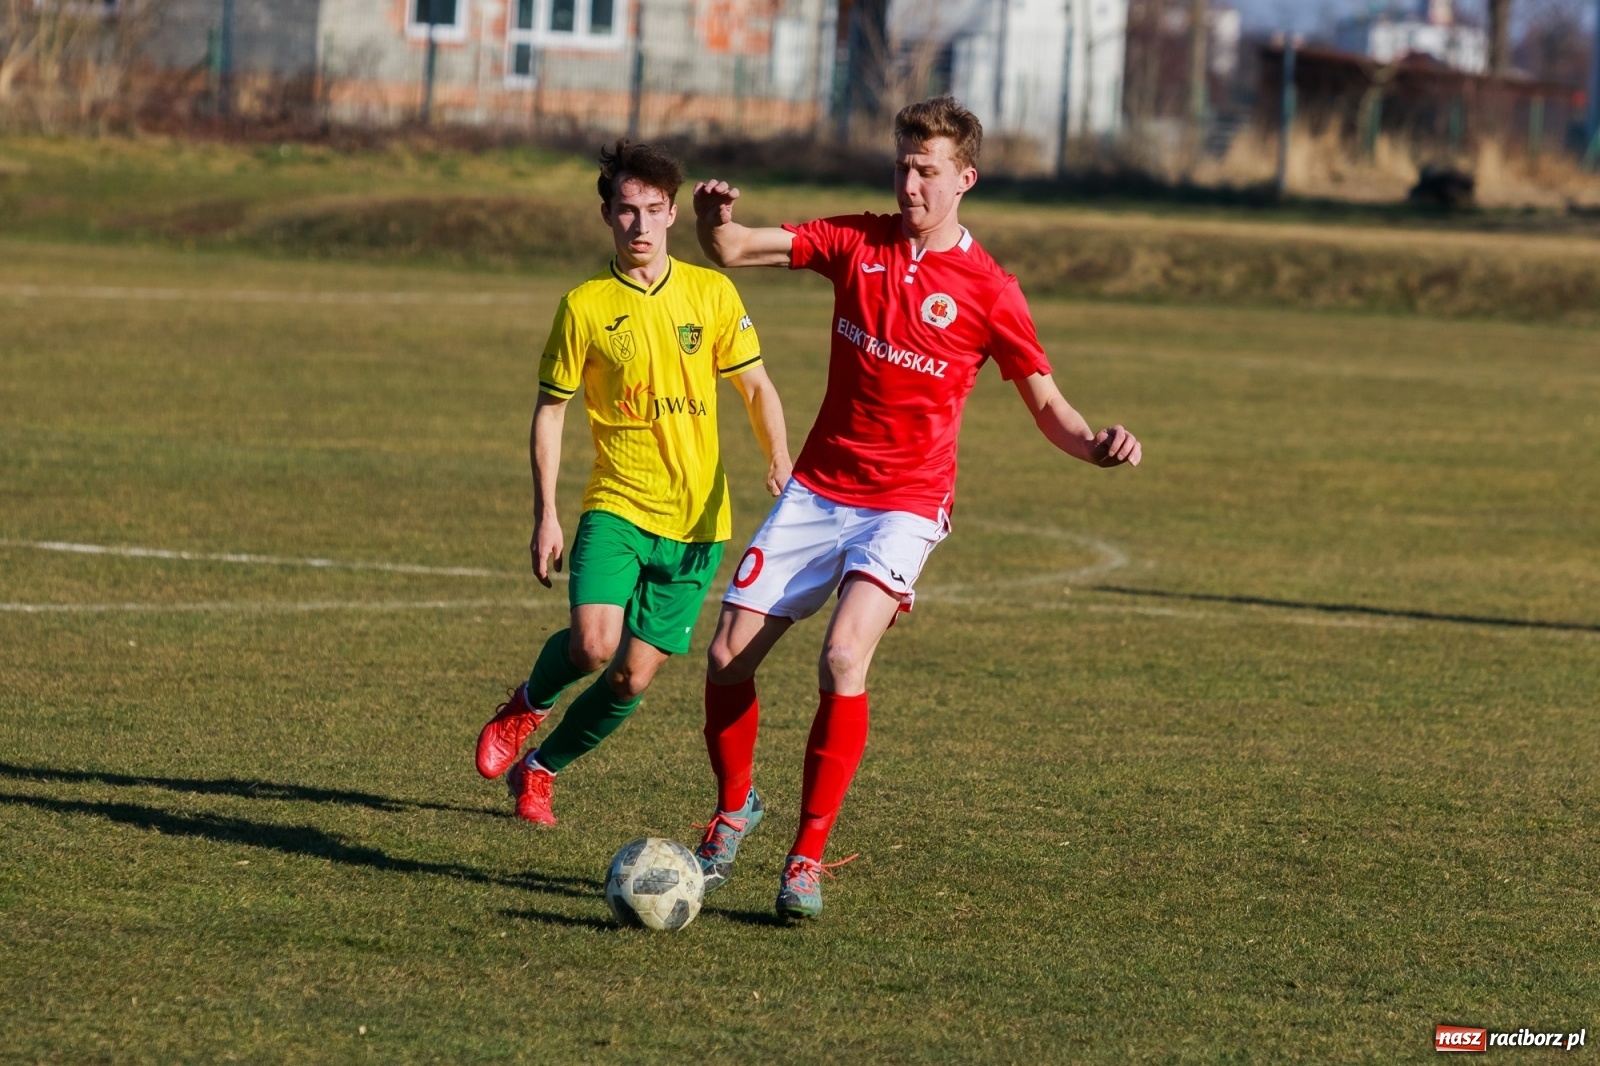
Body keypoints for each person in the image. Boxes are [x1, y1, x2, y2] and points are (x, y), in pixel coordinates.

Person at [690, 96, 1142, 917]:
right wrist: (713, 217)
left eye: (927, 171)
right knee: (725, 659)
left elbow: (1048, 404)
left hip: (905, 502)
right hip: (820, 488)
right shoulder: (854, 239)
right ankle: (733, 811)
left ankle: (806, 858)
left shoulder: (990, 290)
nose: (910, 185)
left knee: (842, 657)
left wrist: (1095, 444)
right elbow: (730, 249)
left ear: (965, 178)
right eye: (902, 166)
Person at [474, 140, 791, 825]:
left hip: (699, 523)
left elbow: (757, 386)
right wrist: (546, 516)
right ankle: (527, 704)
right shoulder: (583, 307)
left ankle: (541, 768)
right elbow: (551, 411)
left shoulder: (711, 291)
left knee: (630, 676)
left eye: (653, 210)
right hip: (617, 504)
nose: (640, 227)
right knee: (591, 645)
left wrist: (778, 458)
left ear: (674, 213)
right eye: (626, 211)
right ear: (606, 217)